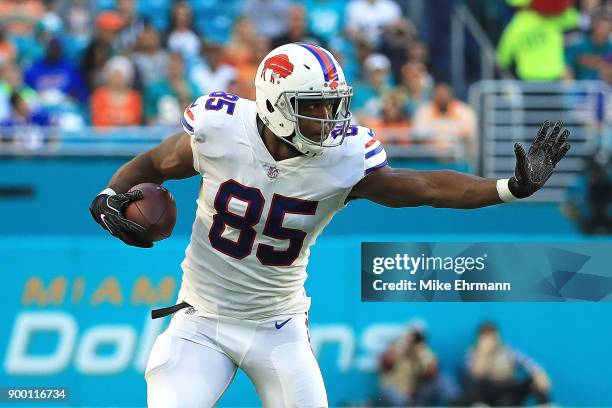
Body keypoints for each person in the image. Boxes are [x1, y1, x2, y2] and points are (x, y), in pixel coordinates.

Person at [89, 43, 571, 407]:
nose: (328, 118)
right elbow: (156, 161)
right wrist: (112, 194)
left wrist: (509, 188)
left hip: (278, 327)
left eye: (332, 104)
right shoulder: (222, 129)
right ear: (275, 104)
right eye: (313, 105)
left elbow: (424, 188)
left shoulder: (344, 160)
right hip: (200, 322)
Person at [456, 322, 553, 406]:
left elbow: (528, 363)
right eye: (486, 335)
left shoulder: (509, 351)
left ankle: (545, 405)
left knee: (537, 378)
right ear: (479, 338)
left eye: (492, 334)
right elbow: (476, 375)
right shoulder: (472, 353)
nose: (490, 338)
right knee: (471, 381)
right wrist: (484, 353)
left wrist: (540, 374)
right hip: (488, 392)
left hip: (509, 389)